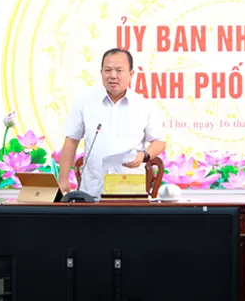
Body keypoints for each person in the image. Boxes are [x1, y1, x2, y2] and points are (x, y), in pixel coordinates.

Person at [57, 48, 166, 198]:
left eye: (119, 70)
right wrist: (63, 179)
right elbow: (71, 141)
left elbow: (159, 142)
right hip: (92, 191)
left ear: (131, 74)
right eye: (107, 70)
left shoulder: (144, 105)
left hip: (130, 190)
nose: (113, 76)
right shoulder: (85, 103)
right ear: (101, 72)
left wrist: (143, 156)